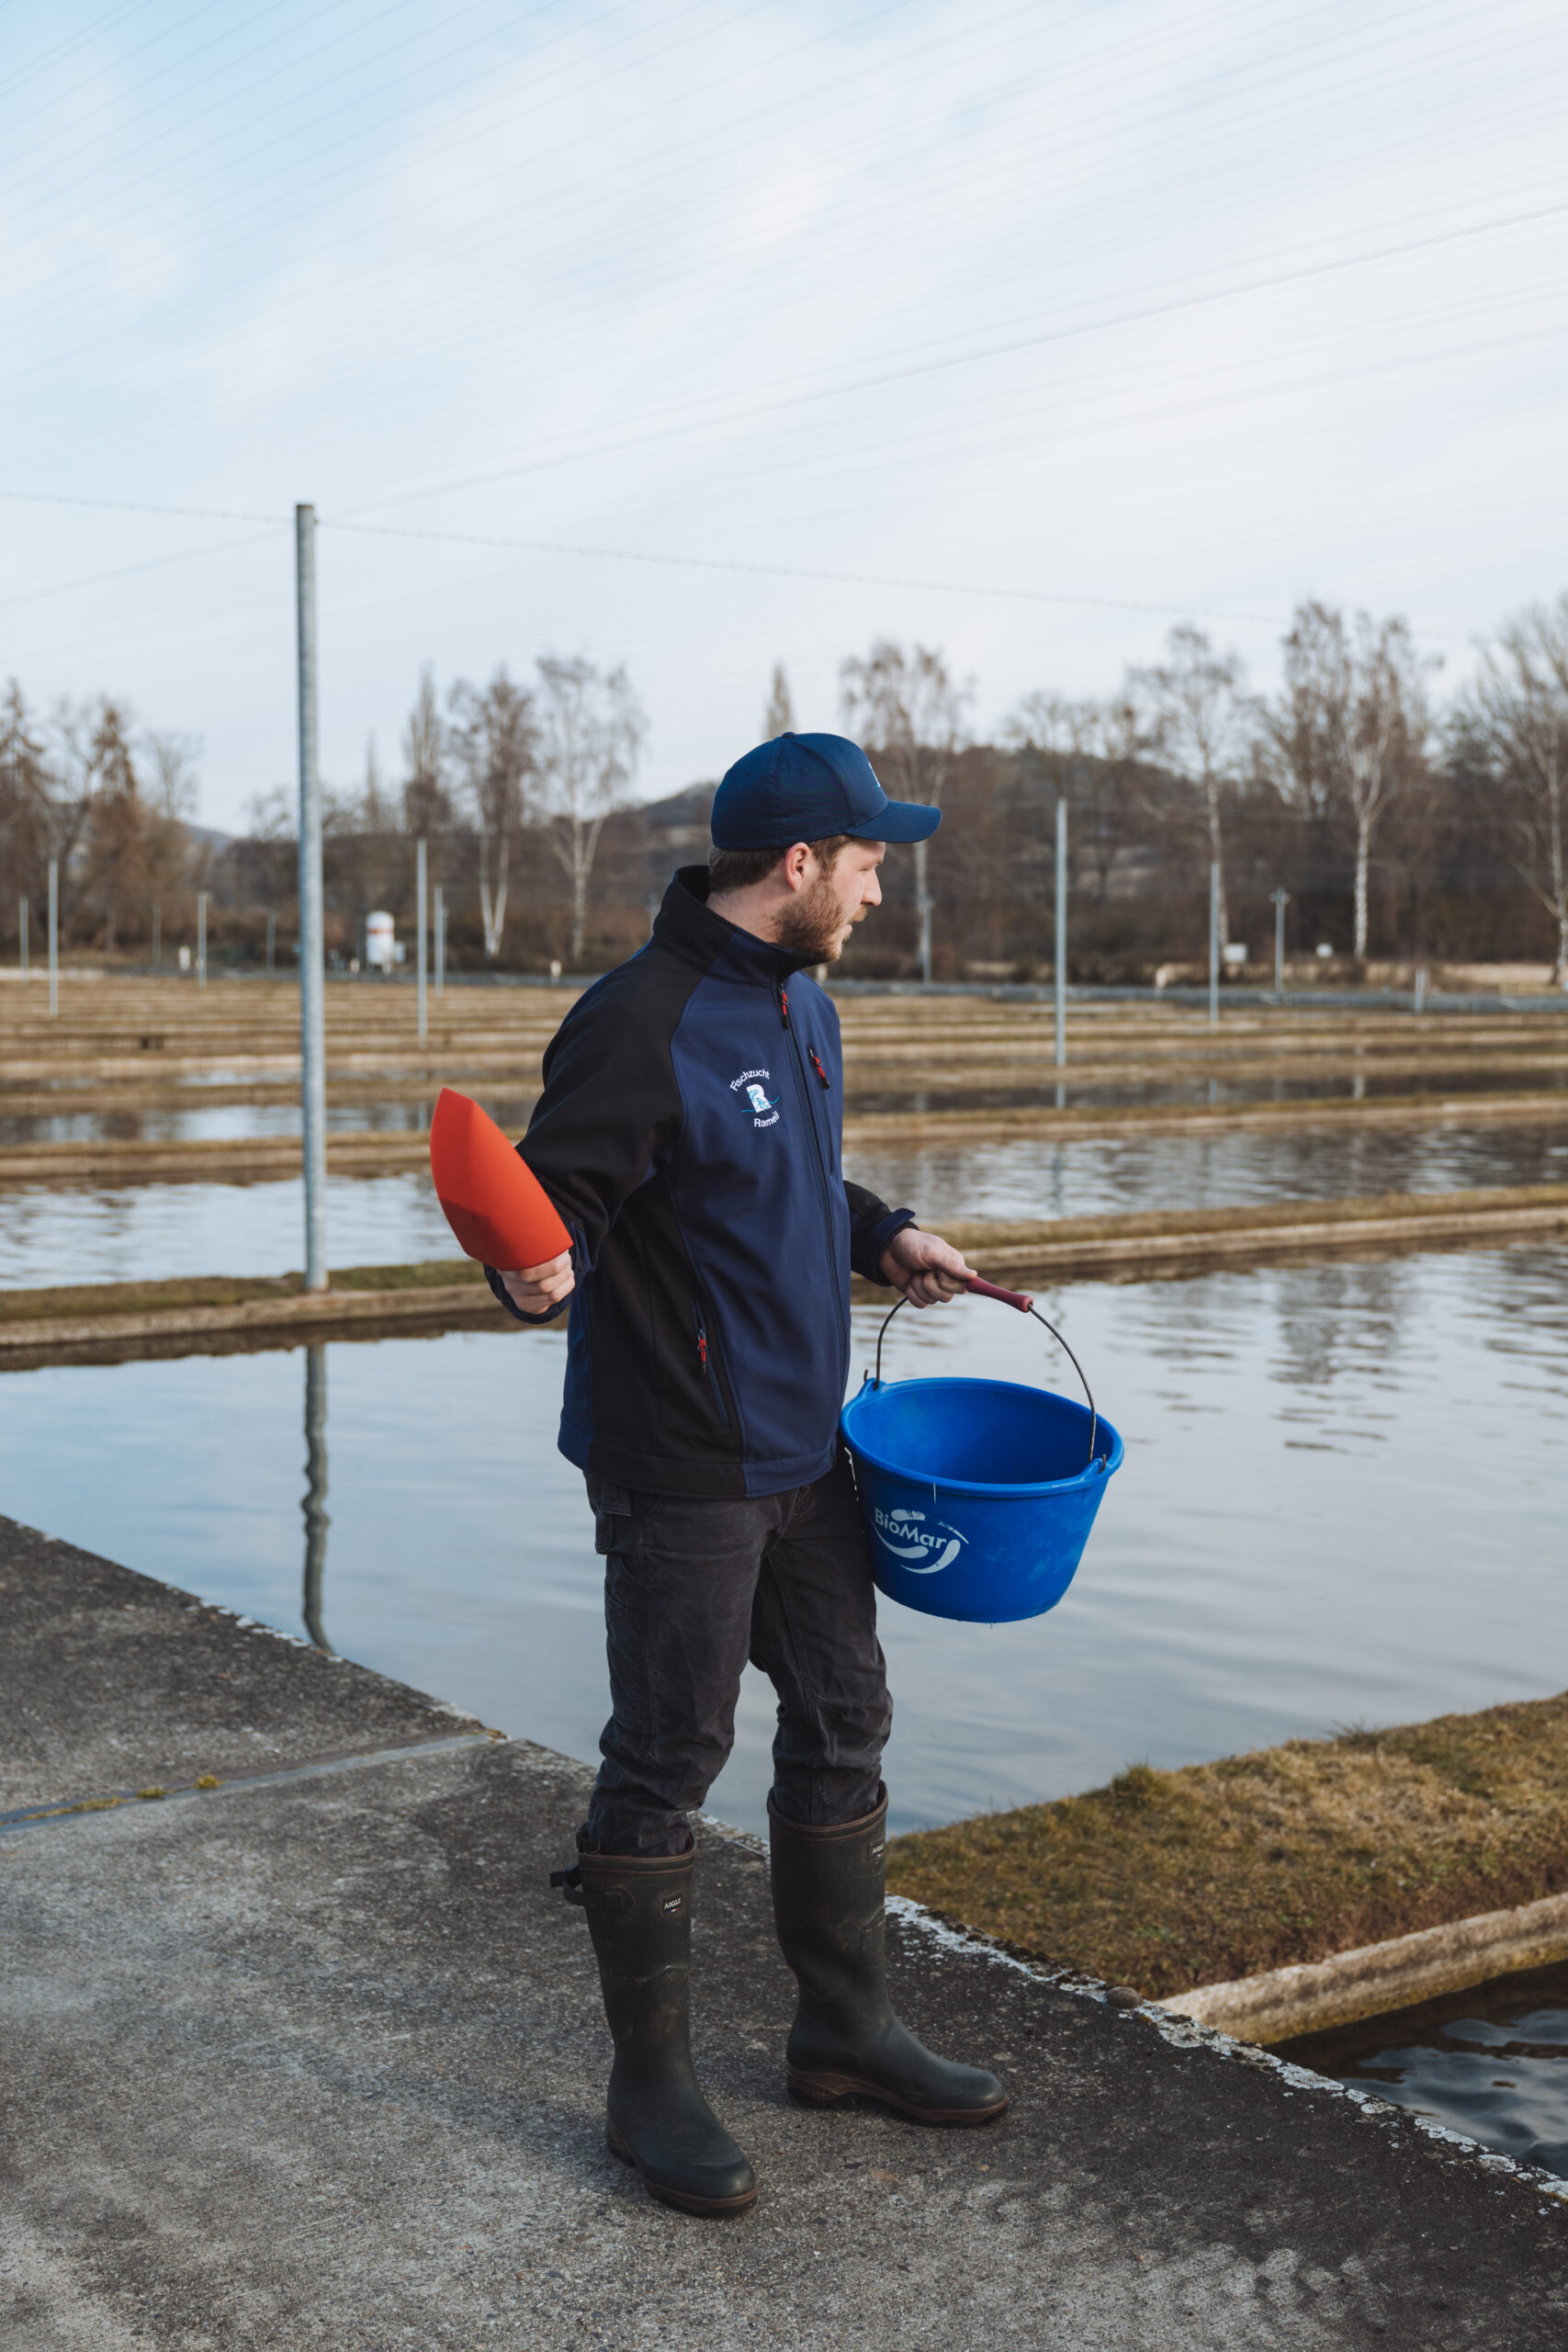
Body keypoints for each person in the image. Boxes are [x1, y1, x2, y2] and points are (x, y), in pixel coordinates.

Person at [487, 730, 1007, 2219]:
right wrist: (530, 1276)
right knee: (669, 1754)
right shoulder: (634, 1023)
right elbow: (552, 1221)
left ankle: (840, 2033)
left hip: (807, 1445)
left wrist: (883, 1230)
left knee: (846, 1718)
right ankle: (649, 2091)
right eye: (866, 864)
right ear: (796, 866)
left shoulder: (804, 1006)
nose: (879, 892)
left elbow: (783, 1180)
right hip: (682, 1466)